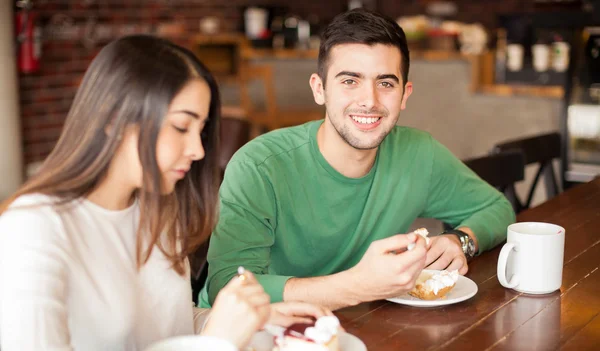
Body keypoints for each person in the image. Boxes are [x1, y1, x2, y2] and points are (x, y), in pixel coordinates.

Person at [0, 35, 330, 351]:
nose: (198, 149)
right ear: (113, 118)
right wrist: (211, 344)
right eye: (180, 127)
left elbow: (165, 329)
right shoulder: (34, 224)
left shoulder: (160, 208)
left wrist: (249, 318)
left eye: (201, 130)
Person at [201, 8, 515, 310]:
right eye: (350, 81)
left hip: (357, 329)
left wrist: (462, 240)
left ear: (405, 95)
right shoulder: (259, 166)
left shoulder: (418, 152)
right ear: (319, 89)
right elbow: (227, 286)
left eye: (386, 83)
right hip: (248, 337)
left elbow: (496, 208)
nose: (369, 101)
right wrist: (358, 286)